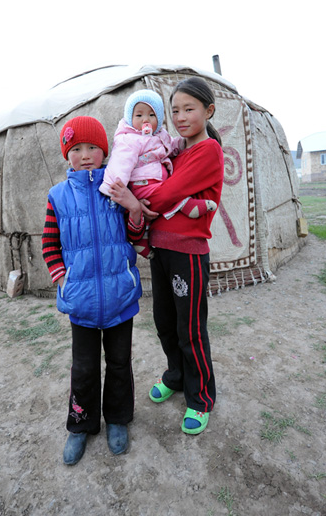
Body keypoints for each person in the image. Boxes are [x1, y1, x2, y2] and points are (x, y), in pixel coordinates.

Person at [42, 116, 146, 465]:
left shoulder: (117, 188)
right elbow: (49, 244)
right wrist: (62, 279)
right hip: (82, 302)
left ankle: (117, 420)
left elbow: (135, 236)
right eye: (76, 149)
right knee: (83, 368)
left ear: (105, 150)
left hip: (120, 295)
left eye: (92, 147)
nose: (85, 155)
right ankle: (81, 425)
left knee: (119, 363)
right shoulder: (57, 197)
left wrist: (133, 208)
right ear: (66, 154)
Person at [144, 77, 224, 435]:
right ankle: (175, 376)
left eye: (188, 109)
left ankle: (200, 397)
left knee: (189, 328)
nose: (179, 117)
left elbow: (164, 195)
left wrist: (137, 201)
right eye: (174, 110)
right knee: (164, 321)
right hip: (160, 249)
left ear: (208, 111)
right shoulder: (175, 150)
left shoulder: (208, 151)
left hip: (187, 254)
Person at [99, 89, 217, 257]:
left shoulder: (160, 134)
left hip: (156, 181)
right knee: (165, 195)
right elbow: (120, 162)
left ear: (159, 118)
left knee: (157, 200)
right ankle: (186, 205)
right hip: (142, 183)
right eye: (139, 115)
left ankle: (141, 240)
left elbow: (169, 146)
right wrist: (114, 186)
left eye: (151, 115)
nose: (145, 120)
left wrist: (182, 144)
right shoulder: (128, 139)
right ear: (129, 118)